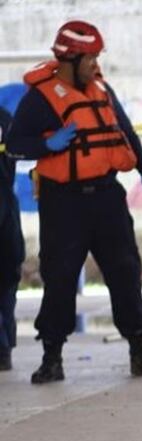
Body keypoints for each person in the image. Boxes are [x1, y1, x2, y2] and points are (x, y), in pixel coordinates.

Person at [5, 21, 142, 384]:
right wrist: (47, 145)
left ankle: (140, 351)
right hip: (64, 203)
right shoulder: (40, 98)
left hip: (107, 197)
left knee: (125, 273)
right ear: (69, 58)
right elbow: (14, 145)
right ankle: (52, 358)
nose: (96, 64)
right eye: (90, 57)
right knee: (58, 279)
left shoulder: (101, 88)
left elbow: (121, 129)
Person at [0, 108, 24, 372]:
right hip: (6, 201)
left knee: (7, 275)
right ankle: (4, 348)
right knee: (7, 276)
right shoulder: (5, 117)